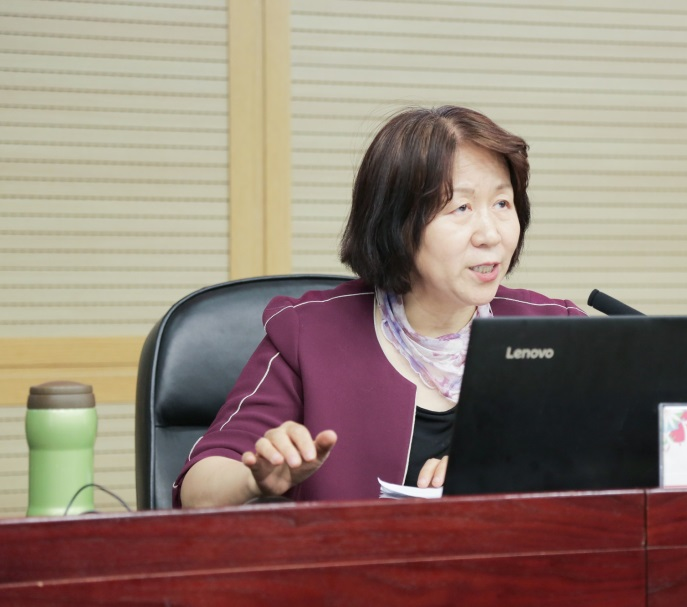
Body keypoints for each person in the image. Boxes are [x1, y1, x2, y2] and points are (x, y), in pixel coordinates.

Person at [175, 105, 586, 508]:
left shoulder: (558, 331)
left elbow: (612, 467)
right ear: (398, 224)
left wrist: (510, 472)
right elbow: (196, 489)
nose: (491, 234)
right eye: (461, 208)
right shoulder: (309, 335)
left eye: (502, 204)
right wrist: (254, 478)